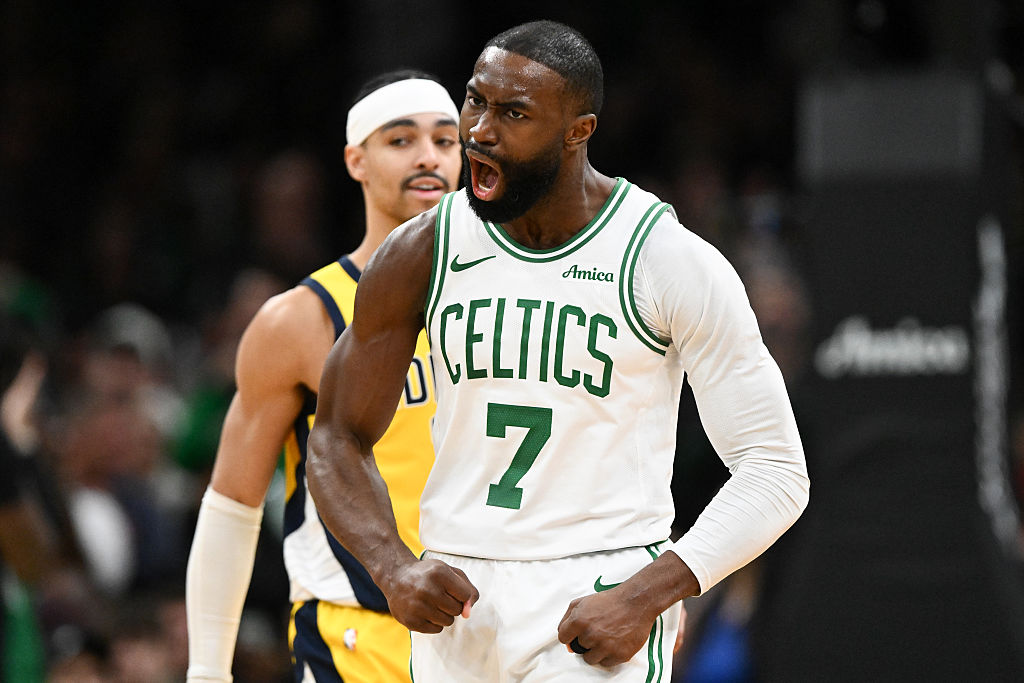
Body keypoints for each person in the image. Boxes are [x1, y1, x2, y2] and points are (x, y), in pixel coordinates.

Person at [307, 20, 810, 681]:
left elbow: (775, 469)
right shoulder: (423, 249)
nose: (480, 130)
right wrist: (392, 566)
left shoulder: (663, 257)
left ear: (579, 131)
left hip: (598, 590)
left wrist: (647, 594)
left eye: (513, 113)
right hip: (458, 598)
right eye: (475, 100)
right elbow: (335, 436)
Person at [184, 70, 463, 682]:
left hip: (490, 635)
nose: (428, 157)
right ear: (356, 160)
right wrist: (207, 671)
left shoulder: (508, 302)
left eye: (446, 140)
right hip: (355, 640)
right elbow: (232, 504)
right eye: (401, 140)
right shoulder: (300, 319)